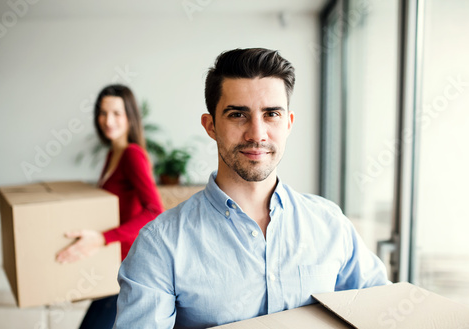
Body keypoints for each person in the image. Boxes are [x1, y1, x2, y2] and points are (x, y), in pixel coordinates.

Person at [114, 48, 389, 329]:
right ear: (210, 126)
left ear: (288, 123)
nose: (257, 134)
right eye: (237, 115)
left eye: (271, 114)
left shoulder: (330, 224)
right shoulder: (160, 244)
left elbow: (383, 311)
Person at [55, 84, 164, 329]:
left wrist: (102, 238)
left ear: (130, 116)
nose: (108, 120)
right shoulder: (112, 154)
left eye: (116, 113)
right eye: (103, 113)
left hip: (128, 268)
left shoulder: (132, 154)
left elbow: (155, 211)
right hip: (110, 263)